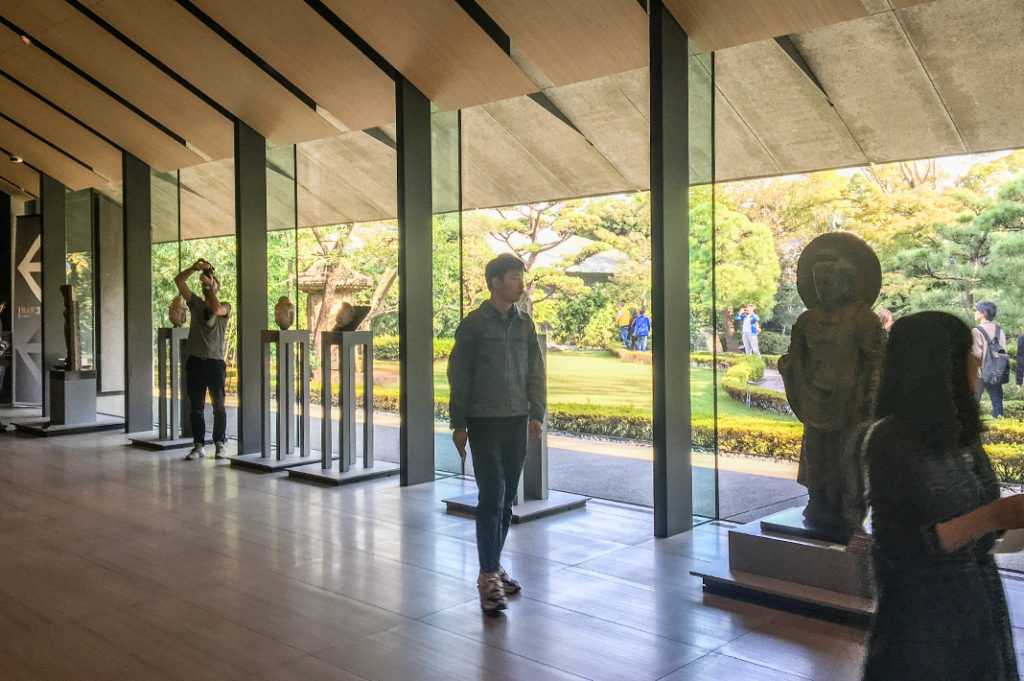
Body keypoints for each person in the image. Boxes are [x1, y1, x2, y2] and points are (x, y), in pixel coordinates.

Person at [861, 311, 1022, 681]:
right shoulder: (890, 441)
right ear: (937, 364)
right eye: (968, 350)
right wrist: (996, 516)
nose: (978, 359)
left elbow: (977, 520)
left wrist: (1007, 522)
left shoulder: (960, 435)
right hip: (924, 621)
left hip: (978, 604)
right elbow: (901, 548)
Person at [447, 253, 545, 613]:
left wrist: (537, 412)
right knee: (492, 495)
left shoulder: (525, 325)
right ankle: (488, 576)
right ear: (495, 283)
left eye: (521, 277)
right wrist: (459, 423)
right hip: (484, 420)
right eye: (514, 277)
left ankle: (495, 564)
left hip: (516, 420)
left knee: (506, 500)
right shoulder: (473, 325)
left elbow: (536, 371)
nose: (521, 283)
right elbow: (459, 376)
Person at [174, 259, 232, 461]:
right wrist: (193, 268)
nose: (207, 284)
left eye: (212, 283)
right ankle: (198, 445)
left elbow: (215, 310)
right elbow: (179, 281)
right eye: (206, 282)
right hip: (196, 362)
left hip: (215, 363)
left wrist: (209, 288)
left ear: (217, 287)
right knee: (196, 406)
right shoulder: (195, 304)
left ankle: (219, 444)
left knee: (219, 407)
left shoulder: (225, 306)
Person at [971, 301, 1007, 418]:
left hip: (980, 374)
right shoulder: (1000, 331)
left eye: (977, 310)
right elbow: (1003, 353)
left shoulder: (976, 331)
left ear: (982, 314)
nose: (975, 313)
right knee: (997, 404)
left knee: (973, 404)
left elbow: (975, 354)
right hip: (996, 374)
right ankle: (1000, 429)